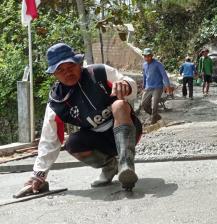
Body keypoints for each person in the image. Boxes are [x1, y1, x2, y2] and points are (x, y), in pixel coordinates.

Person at [22, 43, 142, 193]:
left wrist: (125, 84)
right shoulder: (57, 102)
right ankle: (110, 167)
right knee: (72, 143)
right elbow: (49, 141)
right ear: (54, 74)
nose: (67, 73)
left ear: (79, 63)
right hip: (99, 141)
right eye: (60, 70)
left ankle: (126, 166)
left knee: (119, 105)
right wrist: (38, 175)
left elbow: (130, 84)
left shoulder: (99, 72)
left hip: (128, 130)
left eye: (71, 66)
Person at [141, 48, 171, 124]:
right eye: (145, 56)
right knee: (144, 104)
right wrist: (143, 86)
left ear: (152, 56)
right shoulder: (144, 65)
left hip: (158, 87)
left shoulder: (158, 64)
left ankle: (153, 121)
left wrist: (167, 86)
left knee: (154, 105)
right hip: (148, 87)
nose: (147, 58)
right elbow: (145, 76)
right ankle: (156, 116)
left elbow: (164, 75)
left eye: (148, 56)